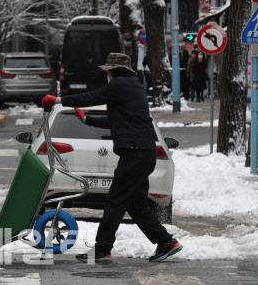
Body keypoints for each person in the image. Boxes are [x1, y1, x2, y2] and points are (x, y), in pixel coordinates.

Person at [41, 53, 182, 264]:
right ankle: (166, 242)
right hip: (143, 153)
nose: (107, 75)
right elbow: (117, 119)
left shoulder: (121, 85)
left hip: (135, 154)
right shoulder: (134, 87)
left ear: (113, 71)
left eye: (108, 71)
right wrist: (88, 119)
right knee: (136, 205)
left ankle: (102, 249)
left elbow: (91, 97)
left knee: (115, 200)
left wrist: (59, 100)